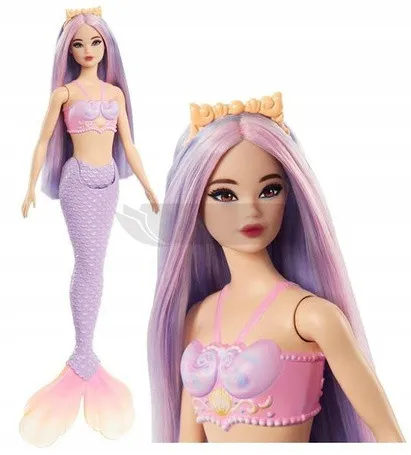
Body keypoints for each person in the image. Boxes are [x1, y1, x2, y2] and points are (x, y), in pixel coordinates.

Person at [147, 92, 404, 442]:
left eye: (269, 190)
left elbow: (388, 434)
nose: (251, 211)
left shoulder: (311, 317)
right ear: (193, 204)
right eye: (224, 195)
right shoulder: (196, 318)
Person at [20, 7, 159, 447]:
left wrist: (149, 188)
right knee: (88, 262)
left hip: (108, 183)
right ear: (68, 50)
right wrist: (30, 187)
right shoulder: (63, 95)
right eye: (78, 44)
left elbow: (129, 145)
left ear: (106, 46)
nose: (87, 50)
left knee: (97, 264)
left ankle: (85, 352)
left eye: (94, 42)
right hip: (78, 180)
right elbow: (43, 141)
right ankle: (83, 352)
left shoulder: (115, 94)